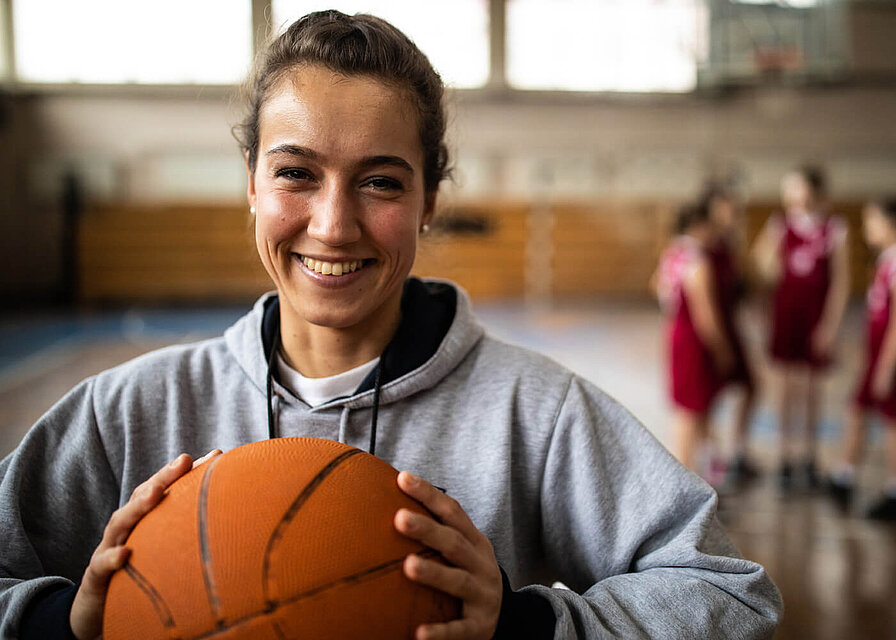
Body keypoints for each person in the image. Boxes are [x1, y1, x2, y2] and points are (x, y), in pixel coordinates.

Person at [0, 11, 782, 640]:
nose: (334, 226)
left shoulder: (534, 415)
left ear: (429, 201)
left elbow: (732, 595)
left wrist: (530, 622)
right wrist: (52, 621)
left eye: (379, 181)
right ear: (250, 184)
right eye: (296, 173)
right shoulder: (131, 412)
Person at [828, 198, 896, 520]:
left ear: (894, 225)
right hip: (878, 359)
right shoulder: (888, 261)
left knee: (894, 421)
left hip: (893, 360)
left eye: (873, 221)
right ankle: (845, 475)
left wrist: (887, 365)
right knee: (856, 410)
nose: (867, 228)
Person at [750, 166, 850, 492]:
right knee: (785, 386)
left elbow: (841, 282)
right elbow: (759, 267)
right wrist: (766, 263)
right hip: (786, 314)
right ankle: (785, 456)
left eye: (799, 189)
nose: (793, 196)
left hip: (815, 317)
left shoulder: (835, 229)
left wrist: (830, 325)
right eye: (789, 190)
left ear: (814, 192)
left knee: (811, 389)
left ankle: (809, 456)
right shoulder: (780, 226)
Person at [653, 185, 758, 488]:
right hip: (695, 343)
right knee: (692, 413)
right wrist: (723, 349)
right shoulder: (698, 261)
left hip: (676, 335)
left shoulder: (672, 253)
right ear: (699, 225)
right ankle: (685, 481)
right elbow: (706, 315)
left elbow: (658, 288)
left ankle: (698, 471)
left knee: (688, 411)